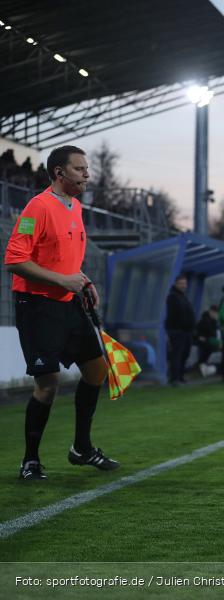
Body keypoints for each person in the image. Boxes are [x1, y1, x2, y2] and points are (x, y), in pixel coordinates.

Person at [4, 145, 119, 480]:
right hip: (37, 305)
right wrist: (62, 280)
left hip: (69, 302)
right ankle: (30, 460)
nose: (87, 174)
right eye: (80, 169)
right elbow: (14, 260)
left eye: (86, 168)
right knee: (48, 383)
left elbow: (67, 257)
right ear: (59, 172)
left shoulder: (76, 206)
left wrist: (83, 281)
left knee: (97, 371)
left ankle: (81, 448)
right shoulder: (36, 208)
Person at [165, 274, 195, 386]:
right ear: (176, 284)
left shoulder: (183, 296)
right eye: (181, 283)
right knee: (177, 355)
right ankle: (175, 378)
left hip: (187, 331)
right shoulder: (173, 296)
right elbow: (174, 315)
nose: (183, 285)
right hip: (178, 331)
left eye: (185, 283)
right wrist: (178, 327)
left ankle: (181, 376)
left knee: (184, 354)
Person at [195, 305, 221, 370]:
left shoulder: (213, 321)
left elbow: (214, 333)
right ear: (210, 311)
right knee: (207, 349)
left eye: (216, 313)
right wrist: (199, 337)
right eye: (214, 313)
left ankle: (203, 365)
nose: (215, 314)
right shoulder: (204, 320)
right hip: (203, 341)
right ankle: (201, 365)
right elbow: (198, 331)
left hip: (210, 341)